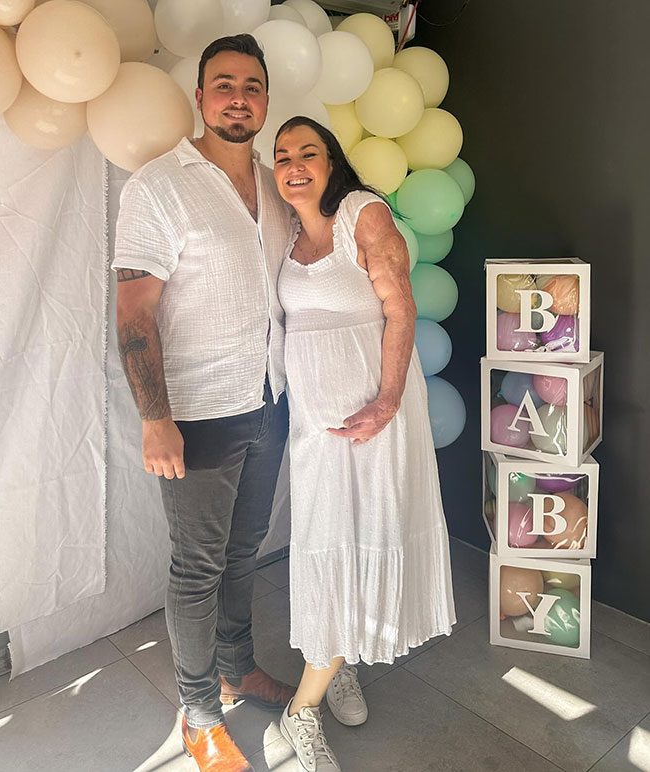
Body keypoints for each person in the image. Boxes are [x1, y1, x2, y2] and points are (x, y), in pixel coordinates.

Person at [113, 35, 296, 772]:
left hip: (269, 401)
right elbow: (134, 314)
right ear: (199, 97)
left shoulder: (277, 187)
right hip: (195, 415)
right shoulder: (159, 185)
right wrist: (155, 418)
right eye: (223, 84)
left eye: (251, 85)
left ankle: (237, 669)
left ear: (266, 100)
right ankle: (198, 714)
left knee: (243, 553)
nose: (238, 97)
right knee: (197, 568)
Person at [272, 117, 457, 772]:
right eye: (282, 156)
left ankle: (301, 708)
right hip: (316, 425)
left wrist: (386, 402)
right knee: (326, 536)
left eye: (309, 153)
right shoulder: (285, 232)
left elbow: (401, 309)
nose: (294, 165)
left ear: (332, 161)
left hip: (376, 414)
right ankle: (338, 654)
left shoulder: (362, 213)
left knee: (364, 529)